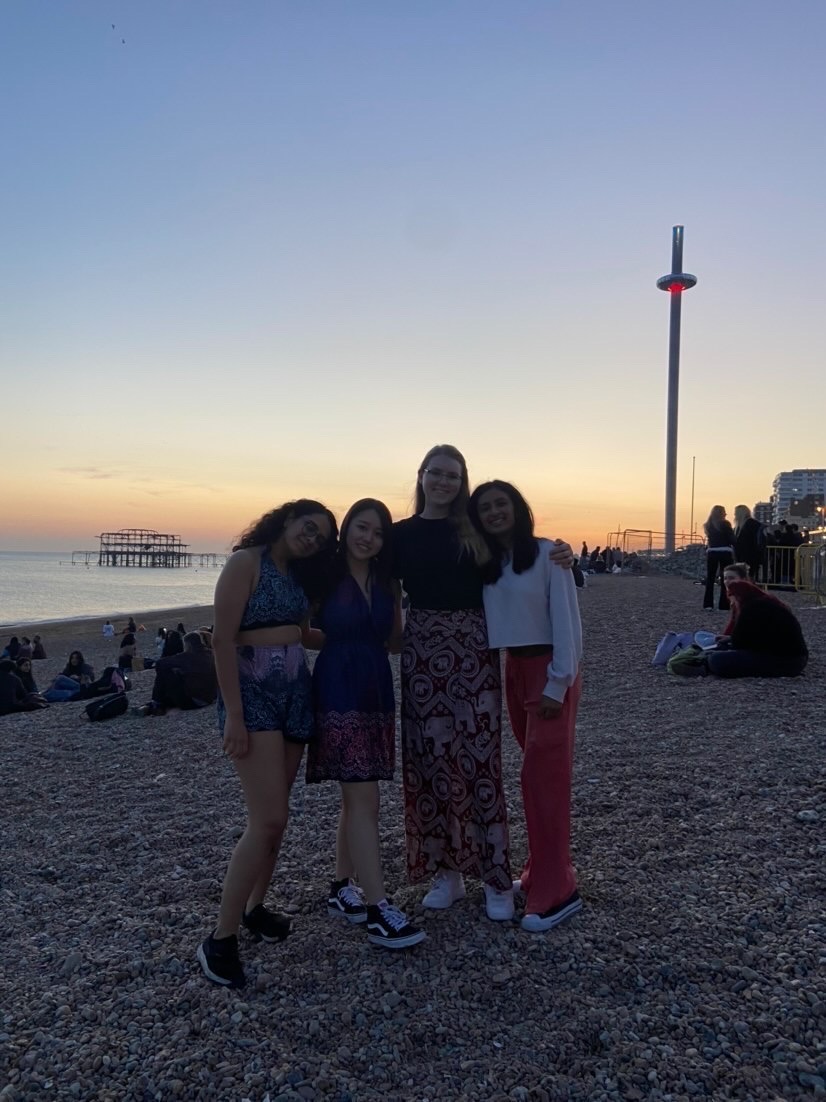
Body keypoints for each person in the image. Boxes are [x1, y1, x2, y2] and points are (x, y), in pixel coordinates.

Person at [392, 444, 573, 922]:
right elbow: (368, 577)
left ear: (462, 480)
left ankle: (495, 875)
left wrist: (565, 553)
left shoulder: (475, 533)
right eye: (437, 473)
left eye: (453, 475)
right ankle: (446, 873)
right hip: (422, 651)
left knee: (478, 761)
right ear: (422, 476)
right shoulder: (400, 535)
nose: (444, 482)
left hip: (475, 649)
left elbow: (525, 553)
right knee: (428, 761)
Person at [197, 499, 337, 989]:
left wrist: (359, 637)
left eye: (321, 536)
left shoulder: (299, 575)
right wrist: (233, 715)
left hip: (295, 693)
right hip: (252, 696)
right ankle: (220, 937)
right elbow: (221, 640)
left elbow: (301, 636)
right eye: (308, 526)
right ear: (286, 519)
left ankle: (256, 909)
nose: (311, 537)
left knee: (279, 818)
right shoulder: (246, 563)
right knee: (268, 818)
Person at [306, 499, 424, 950]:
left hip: (376, 688)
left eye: (377, 532)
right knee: (365, 798)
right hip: (338, 686)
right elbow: (303, 631)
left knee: (356, 795)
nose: (367, 538)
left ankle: (341, 887)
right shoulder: (326, 573)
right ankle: (377, 908)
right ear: (347, 528)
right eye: (361, 527)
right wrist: (338, 642)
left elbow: (394, 641)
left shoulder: (387, 582)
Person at [469, 481, 583, 933]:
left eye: (501, 504)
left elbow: (567, 620)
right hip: (513, 669)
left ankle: (560, 889)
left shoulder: (547, 554)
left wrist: (559, 683)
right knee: (536, 776)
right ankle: (541, 870)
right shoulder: (486, 562)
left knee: (542, 778)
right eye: (485, 508)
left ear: (517, 508)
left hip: (549, 669)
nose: (495, 512)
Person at [708, 565, 808, 678]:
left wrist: (730, 641)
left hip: (786, 661)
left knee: (716, 659)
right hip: (792, 657)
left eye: (731, 578)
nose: (727, 582)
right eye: (725, 578)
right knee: (722, 649)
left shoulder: (750, 606)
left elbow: (739, 642)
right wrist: (729, 639)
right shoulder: (762, 600)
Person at [134, 632, 218, 716]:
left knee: (166, 672)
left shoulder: (187, 656)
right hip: (210, 698)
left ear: (187, 645)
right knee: (174, 686)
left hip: (193, 702)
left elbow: (160, 663)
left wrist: (175, 668)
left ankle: (156, 704)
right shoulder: (210, 654)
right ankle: (154, 705)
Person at [703, 506, 735, 611]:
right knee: (725, 579)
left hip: (712, 552)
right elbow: (731, 539)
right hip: (725, 551)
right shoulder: (726, 524)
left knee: (710, 578)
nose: (726, 514)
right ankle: (724, 604)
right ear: (722, 513)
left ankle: (708, 604)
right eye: (724, 512)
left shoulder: (708, 525)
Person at [733, 505, 764, 582]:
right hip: (750, 555)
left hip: (748, 555)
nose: (734, 515)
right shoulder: (752, 524)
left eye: (736, 513)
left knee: (746, 576)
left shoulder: (746, 525)